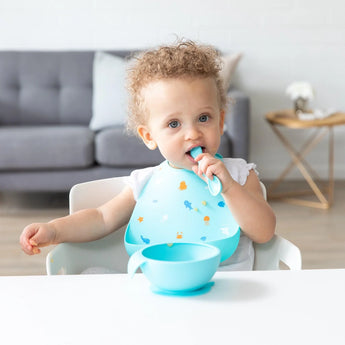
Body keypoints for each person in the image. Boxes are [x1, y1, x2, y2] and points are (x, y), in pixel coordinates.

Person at [20, 40, 276, 270]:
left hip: (230, 291)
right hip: (162, 294)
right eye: (174, 124)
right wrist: (55, 230)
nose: (193, 134)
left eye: (203, 118)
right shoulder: (144, 183)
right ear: (149, 136)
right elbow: (101, 219)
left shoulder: (240, 175)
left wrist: (229, 188)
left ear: (221, 122)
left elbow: (264, 233)